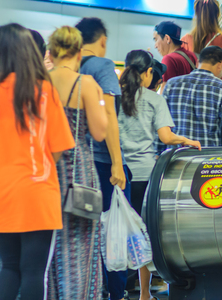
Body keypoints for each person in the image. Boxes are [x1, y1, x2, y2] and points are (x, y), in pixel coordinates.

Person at [0, 23, 75, 300]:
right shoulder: (44, 90)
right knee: (33, 272)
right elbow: (58, 148)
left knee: (8, 268)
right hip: (38, 194)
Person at [118, 49, 200, 300]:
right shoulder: (154, 99)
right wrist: (186, 140)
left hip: (118, 174)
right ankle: (144, 293)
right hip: (144, 175)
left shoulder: (113, 97)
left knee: (117, 232)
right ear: (148, 72)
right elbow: (165, 137)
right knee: (143, 235)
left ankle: (116, 290)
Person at [46, 26, 108, 300]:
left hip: (47, 168)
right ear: (80, 52)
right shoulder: (86, 84)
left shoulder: (41, 82)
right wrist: (102, 103)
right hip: (79, 170)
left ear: (51, 52)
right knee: (82, 244)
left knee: (51, 243)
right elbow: (99, 132)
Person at [75, 17, 130, 300]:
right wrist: (118, 164)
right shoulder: (102, 65)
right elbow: (109, 114)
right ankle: (116, 293)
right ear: (103, 41)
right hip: (104, 162)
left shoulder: (70, 67)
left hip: (77, 163)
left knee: (85, 232)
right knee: (114, 231)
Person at [157, 46, 222, 155]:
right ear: (220, 65)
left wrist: (158, 152)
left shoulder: (171, 84)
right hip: (207, 158)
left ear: (198, 63)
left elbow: (160, 123)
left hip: (175, 156)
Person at [181, 0, 222, 83]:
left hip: (191, 89)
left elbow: (181, 72)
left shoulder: (185, 40)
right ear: (217, 15)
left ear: (196, 14)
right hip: (215, 90)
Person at [153, 21, 197, 92]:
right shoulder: (192, 56)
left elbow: (164, 94)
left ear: (167, 38)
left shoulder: (168, 59)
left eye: (156, 39)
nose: (155, 46)